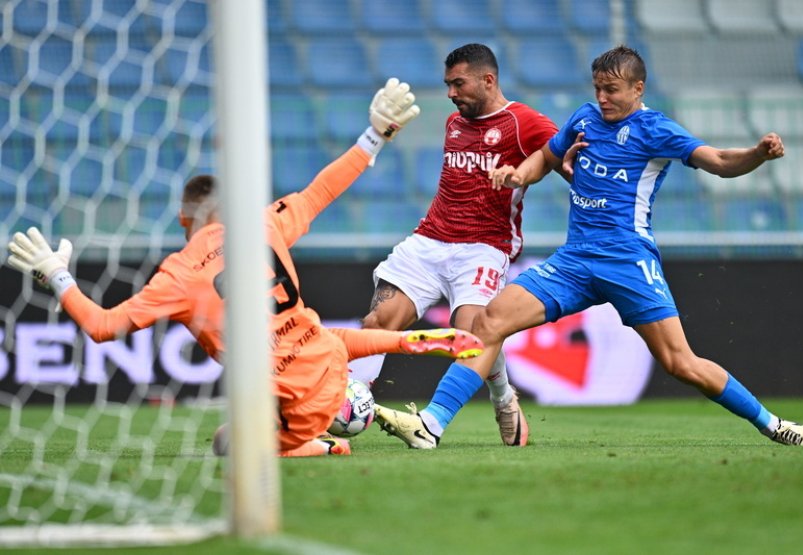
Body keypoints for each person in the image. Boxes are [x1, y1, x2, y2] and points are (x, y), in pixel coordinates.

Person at [6, 78, 485, 457]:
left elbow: (102, 326)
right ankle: (408, 345)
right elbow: (322, 191)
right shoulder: (262, 225)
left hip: (293, 402)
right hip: (332, 364)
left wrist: (56, 274)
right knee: (320, 335)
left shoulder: (176, 274)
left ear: (183, 219)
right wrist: (376, 134)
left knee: (226, 441)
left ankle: (312, 442)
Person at [374, 45, 803, 449]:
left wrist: (758, 154)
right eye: (598, 89)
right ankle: (430, 425)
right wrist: (519, 175)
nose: (603, 98)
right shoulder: (584, 118)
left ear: (638, 88)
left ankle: (773, 424)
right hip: (574, 260)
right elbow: (547, 157)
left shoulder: (655, 129)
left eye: (611, 90)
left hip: (628, 260)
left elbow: (721, 163)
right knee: (489, 322)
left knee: (679, 362)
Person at [363, 43, 558, 447]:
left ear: (488, 80)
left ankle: (503, 397)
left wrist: (522, 173)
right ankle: (353, 405)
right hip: (429, 239)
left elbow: (559, 153)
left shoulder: (522, 121)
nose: (451, 92)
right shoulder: (455, 122)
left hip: (484, 247)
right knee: (376, 325)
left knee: (471, 335)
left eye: (458, 83)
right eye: (448, 84)